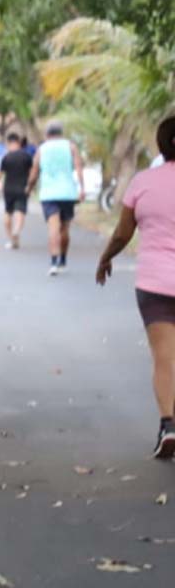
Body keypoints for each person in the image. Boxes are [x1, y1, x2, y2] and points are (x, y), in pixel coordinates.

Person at [96, 116, 175, 459]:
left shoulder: (143, 182)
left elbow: (122, 232)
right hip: (156, 281)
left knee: (164, 358)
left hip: (155, 283)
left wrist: (106, 258)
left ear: (160, 145)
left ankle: (169, 426)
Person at [27, 121, 84, 276]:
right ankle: (63, 259)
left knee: (53, 228)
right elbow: (79, 168)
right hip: (67, 193)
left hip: (49, 193)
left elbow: (34, 171)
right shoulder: (71, 146)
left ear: (47, 134)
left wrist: (29, 188)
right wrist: (82, 189)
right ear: (61, 133)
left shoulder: (42, 149)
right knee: (65, 228)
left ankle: (53, 262)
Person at [0, 132, 33, 249]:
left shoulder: (6, 157)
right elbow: (32, 173)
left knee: (8, 212)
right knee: (20, 211)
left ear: (8, 143)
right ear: (19, 142)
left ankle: (11, 239)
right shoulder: (27, 156)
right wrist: (31, 186)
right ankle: (16, 230)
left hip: (8, 188)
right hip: (23, 187)